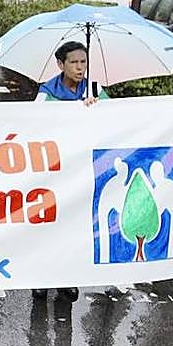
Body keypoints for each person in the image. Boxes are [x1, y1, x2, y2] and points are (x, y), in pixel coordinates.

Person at [33, 40, 108, 302]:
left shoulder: (96, 90)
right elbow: (32, 124)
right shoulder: (46, 92)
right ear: (60, 64)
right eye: (74, 62)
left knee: (75, 224)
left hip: (83, 169)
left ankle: (68, 277)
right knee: (49, 223)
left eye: (83, 62)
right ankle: (41, 277)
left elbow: (117, 120)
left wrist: (97, 108)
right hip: (54, 168)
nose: (80, 67)